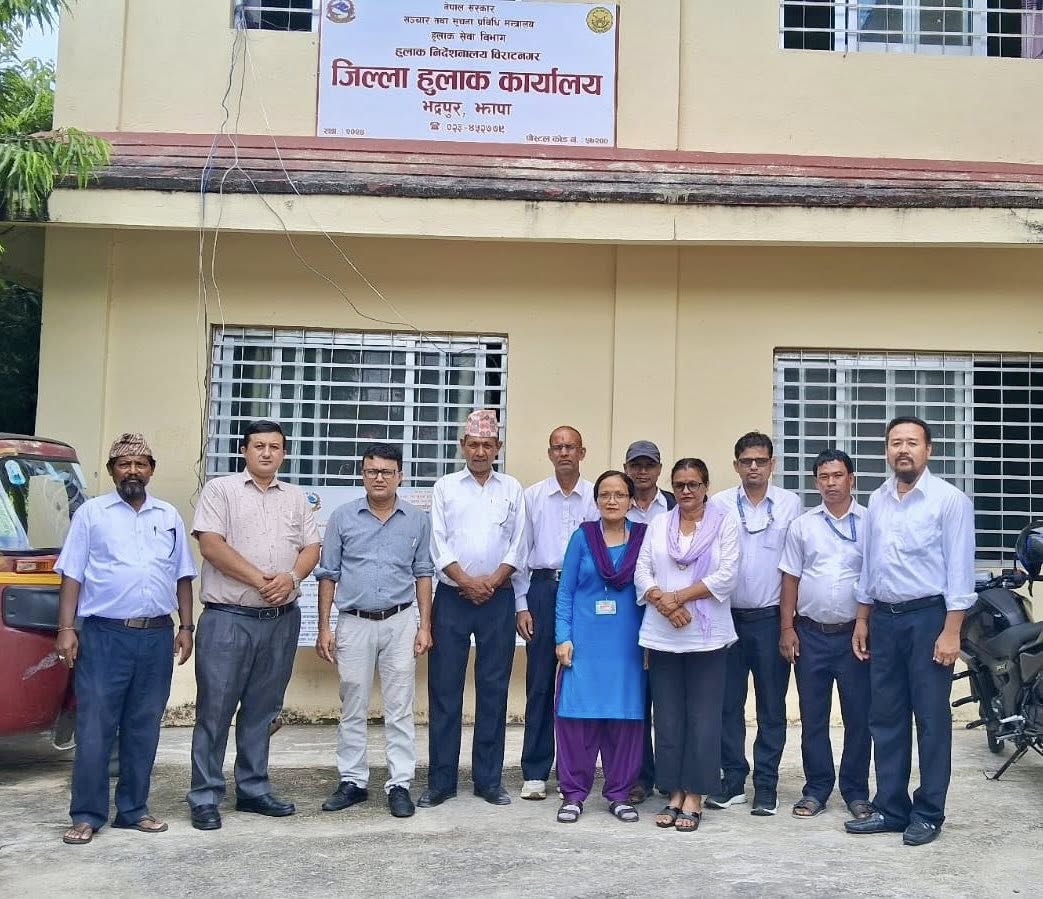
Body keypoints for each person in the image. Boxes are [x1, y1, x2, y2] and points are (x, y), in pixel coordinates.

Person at [54, 433, 196, 845]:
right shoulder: (92, 514)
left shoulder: (168, 515)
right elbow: (72, 574)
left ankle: (134, 810)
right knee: (95, 727)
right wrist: (66, 629)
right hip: (105, 636)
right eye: (124, 464)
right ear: (113, 470)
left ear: (151, 470)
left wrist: (186, 627)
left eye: (140, 464)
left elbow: (183, 575)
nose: (133, 471)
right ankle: (86, 814)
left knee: (143, 725)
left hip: (156, 636)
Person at [845, 416, 975, 846]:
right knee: (886, 718)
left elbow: (960, 572)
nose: (903, 449)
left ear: (928, 450)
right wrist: (862, 619)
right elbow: (870, 566)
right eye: (895, 442)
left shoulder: (949, 501)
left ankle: (929, 812)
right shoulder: (878, 499)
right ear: (887, 450)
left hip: (929, 620)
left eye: (912, 443)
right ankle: (891, 807)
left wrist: (951, 631)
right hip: (884, 620)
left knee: (931, 720)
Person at [187, 420, 320, 831]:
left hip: (280, 620)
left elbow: (312, 547)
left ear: (284, 454)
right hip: (229, 618)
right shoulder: (220, 490)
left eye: (274, 447)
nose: (266, 453)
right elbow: (211, 545)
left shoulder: (296, 497)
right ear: (244, 450)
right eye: (258, 445)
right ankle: (205, 796)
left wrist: (291, 578)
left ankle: (253, 789)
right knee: (215, 710)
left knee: (263, 711)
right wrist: (262, 581)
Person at [315, 443, 434, 819]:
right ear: (362, 475)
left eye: (386, 471)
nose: (379, 478)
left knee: (400, 707)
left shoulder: (417, 519)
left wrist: (425, 626)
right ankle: (352, 781)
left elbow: (423, 573)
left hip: (400, 621)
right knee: (352, 704)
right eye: (371, 471)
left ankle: (400, 784)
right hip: (354, 621)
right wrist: (324, 627)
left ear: (400, 476)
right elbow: (328, 573)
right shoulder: (342, 517)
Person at [421, 409, 527, 808]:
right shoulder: (445, 487)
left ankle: (488, 781)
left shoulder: (512, 488)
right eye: (473, 444)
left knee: (493, 689)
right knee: (444, 689)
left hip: (497, 599)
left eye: (487, 445)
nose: (480, 451)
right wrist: (466, 581)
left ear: (498, 447)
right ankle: (441, 782)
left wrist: (493, 582)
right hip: (453, 598)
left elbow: (520, 543)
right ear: (462, 446)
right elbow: (437, 541)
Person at [634, 458, 740, 832]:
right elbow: (642, 570)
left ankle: (694, 794)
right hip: (663, 634)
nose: (686, 491)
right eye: (679, 484)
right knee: (667, 718)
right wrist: (663, 602)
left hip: (708, 637)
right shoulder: (659, 523)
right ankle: (673, 791)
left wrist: (678, 597)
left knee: (703, 718)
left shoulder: (725, 523)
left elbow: (727, 575)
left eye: (693, 484)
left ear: (706, 486)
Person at [706, 431, 802, 816]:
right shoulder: (719, 504)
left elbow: (794, 566)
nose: (753, 468)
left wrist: (788, 625)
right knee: (727, 704)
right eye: (746, 461)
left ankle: (766, 785)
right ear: (736, 465)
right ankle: (732, 781)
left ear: (772, 464)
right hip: (726, 618)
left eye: (761, 461)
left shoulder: (790, 504)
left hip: (770, 619)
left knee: (771, 706)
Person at [778, 449, 872, 821]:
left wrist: (863, 621)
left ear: (852, 479)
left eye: (837, 475)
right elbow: (790, 579)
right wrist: (787, 628)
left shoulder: (870, 523)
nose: (831, 483)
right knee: (813, 718)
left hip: (855, 636)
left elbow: (874, 578)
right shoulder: (803, 525)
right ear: (816, 482)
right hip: (810, 634)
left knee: (858, 718)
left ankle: (856, 792)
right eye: (824, 477)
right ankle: (816, 789)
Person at [554, 470, 647, 825]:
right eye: (605, 494)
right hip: (585, 642)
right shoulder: (583, 537)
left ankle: (619, 794)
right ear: (596, 501)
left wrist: (652, 642)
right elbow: (565, 591)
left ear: (631, 500)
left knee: (624, 717)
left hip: (627, 644)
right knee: (578, 717)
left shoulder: (643, 538)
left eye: (620, 494)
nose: (612, 500)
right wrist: (562, 637)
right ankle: (573, 794)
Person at [516, 426, 598, 801]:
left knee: (582, 682)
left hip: (586, 595)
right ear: (550, 453)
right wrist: (522, 605)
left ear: (582, 452)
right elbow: (521, 553)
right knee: (540, 683)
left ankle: (575, 771)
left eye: (571, 447)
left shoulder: (597, 496)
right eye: (557, 447)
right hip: (544, 590)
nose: (564, 452)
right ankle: (535, 771)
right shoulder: (533, 496)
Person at [622, 439, 675, 803]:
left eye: (649, 465)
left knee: (669, 698)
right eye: (636, 465)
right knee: (636, 698)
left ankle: (671, 775)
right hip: (627, 609)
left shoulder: (675, 504)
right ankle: (639, 775)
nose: (642, 471)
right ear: (627, 468)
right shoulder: (616, 503)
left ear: (659, 469)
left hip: (671, 608)